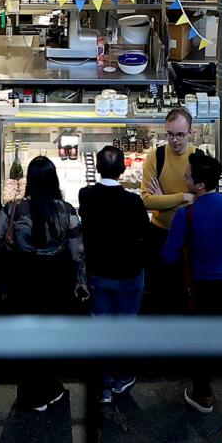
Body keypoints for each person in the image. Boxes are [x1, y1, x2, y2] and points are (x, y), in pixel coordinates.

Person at [0, 155, 86, 412]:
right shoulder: (67, 210)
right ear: (54, 180)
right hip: (55, 281)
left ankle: (30, 394)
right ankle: (48, 388)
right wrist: (81, 282)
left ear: (29, 181)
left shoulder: (13, 208)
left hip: (23, 280)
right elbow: (77, 251)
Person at [162, 149, 222, 413]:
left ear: (199, 185)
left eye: (188, 176)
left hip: (196, 288)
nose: (184, 178)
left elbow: (169, 255)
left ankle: (203, 395)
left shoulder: (186, 214)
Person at [77, 145, 151, 403]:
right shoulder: (133, 201)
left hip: (98, 274)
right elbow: (145, 234)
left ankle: (104, 384)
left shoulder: (86, 195)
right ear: (123, 169)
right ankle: (122, 377)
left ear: (97, 168)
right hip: (129, 275)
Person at [139, 105, 198, 312]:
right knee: (159, 292)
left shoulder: (198, 158)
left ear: (191, 133)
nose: (174, 140)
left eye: (180, 134)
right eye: (170, 134)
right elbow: (147, 201)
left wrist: (163, 199)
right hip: (159, 234)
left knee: (185, 292)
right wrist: (183, 197)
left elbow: (200, 203)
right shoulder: (155, 156)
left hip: (188, 236)